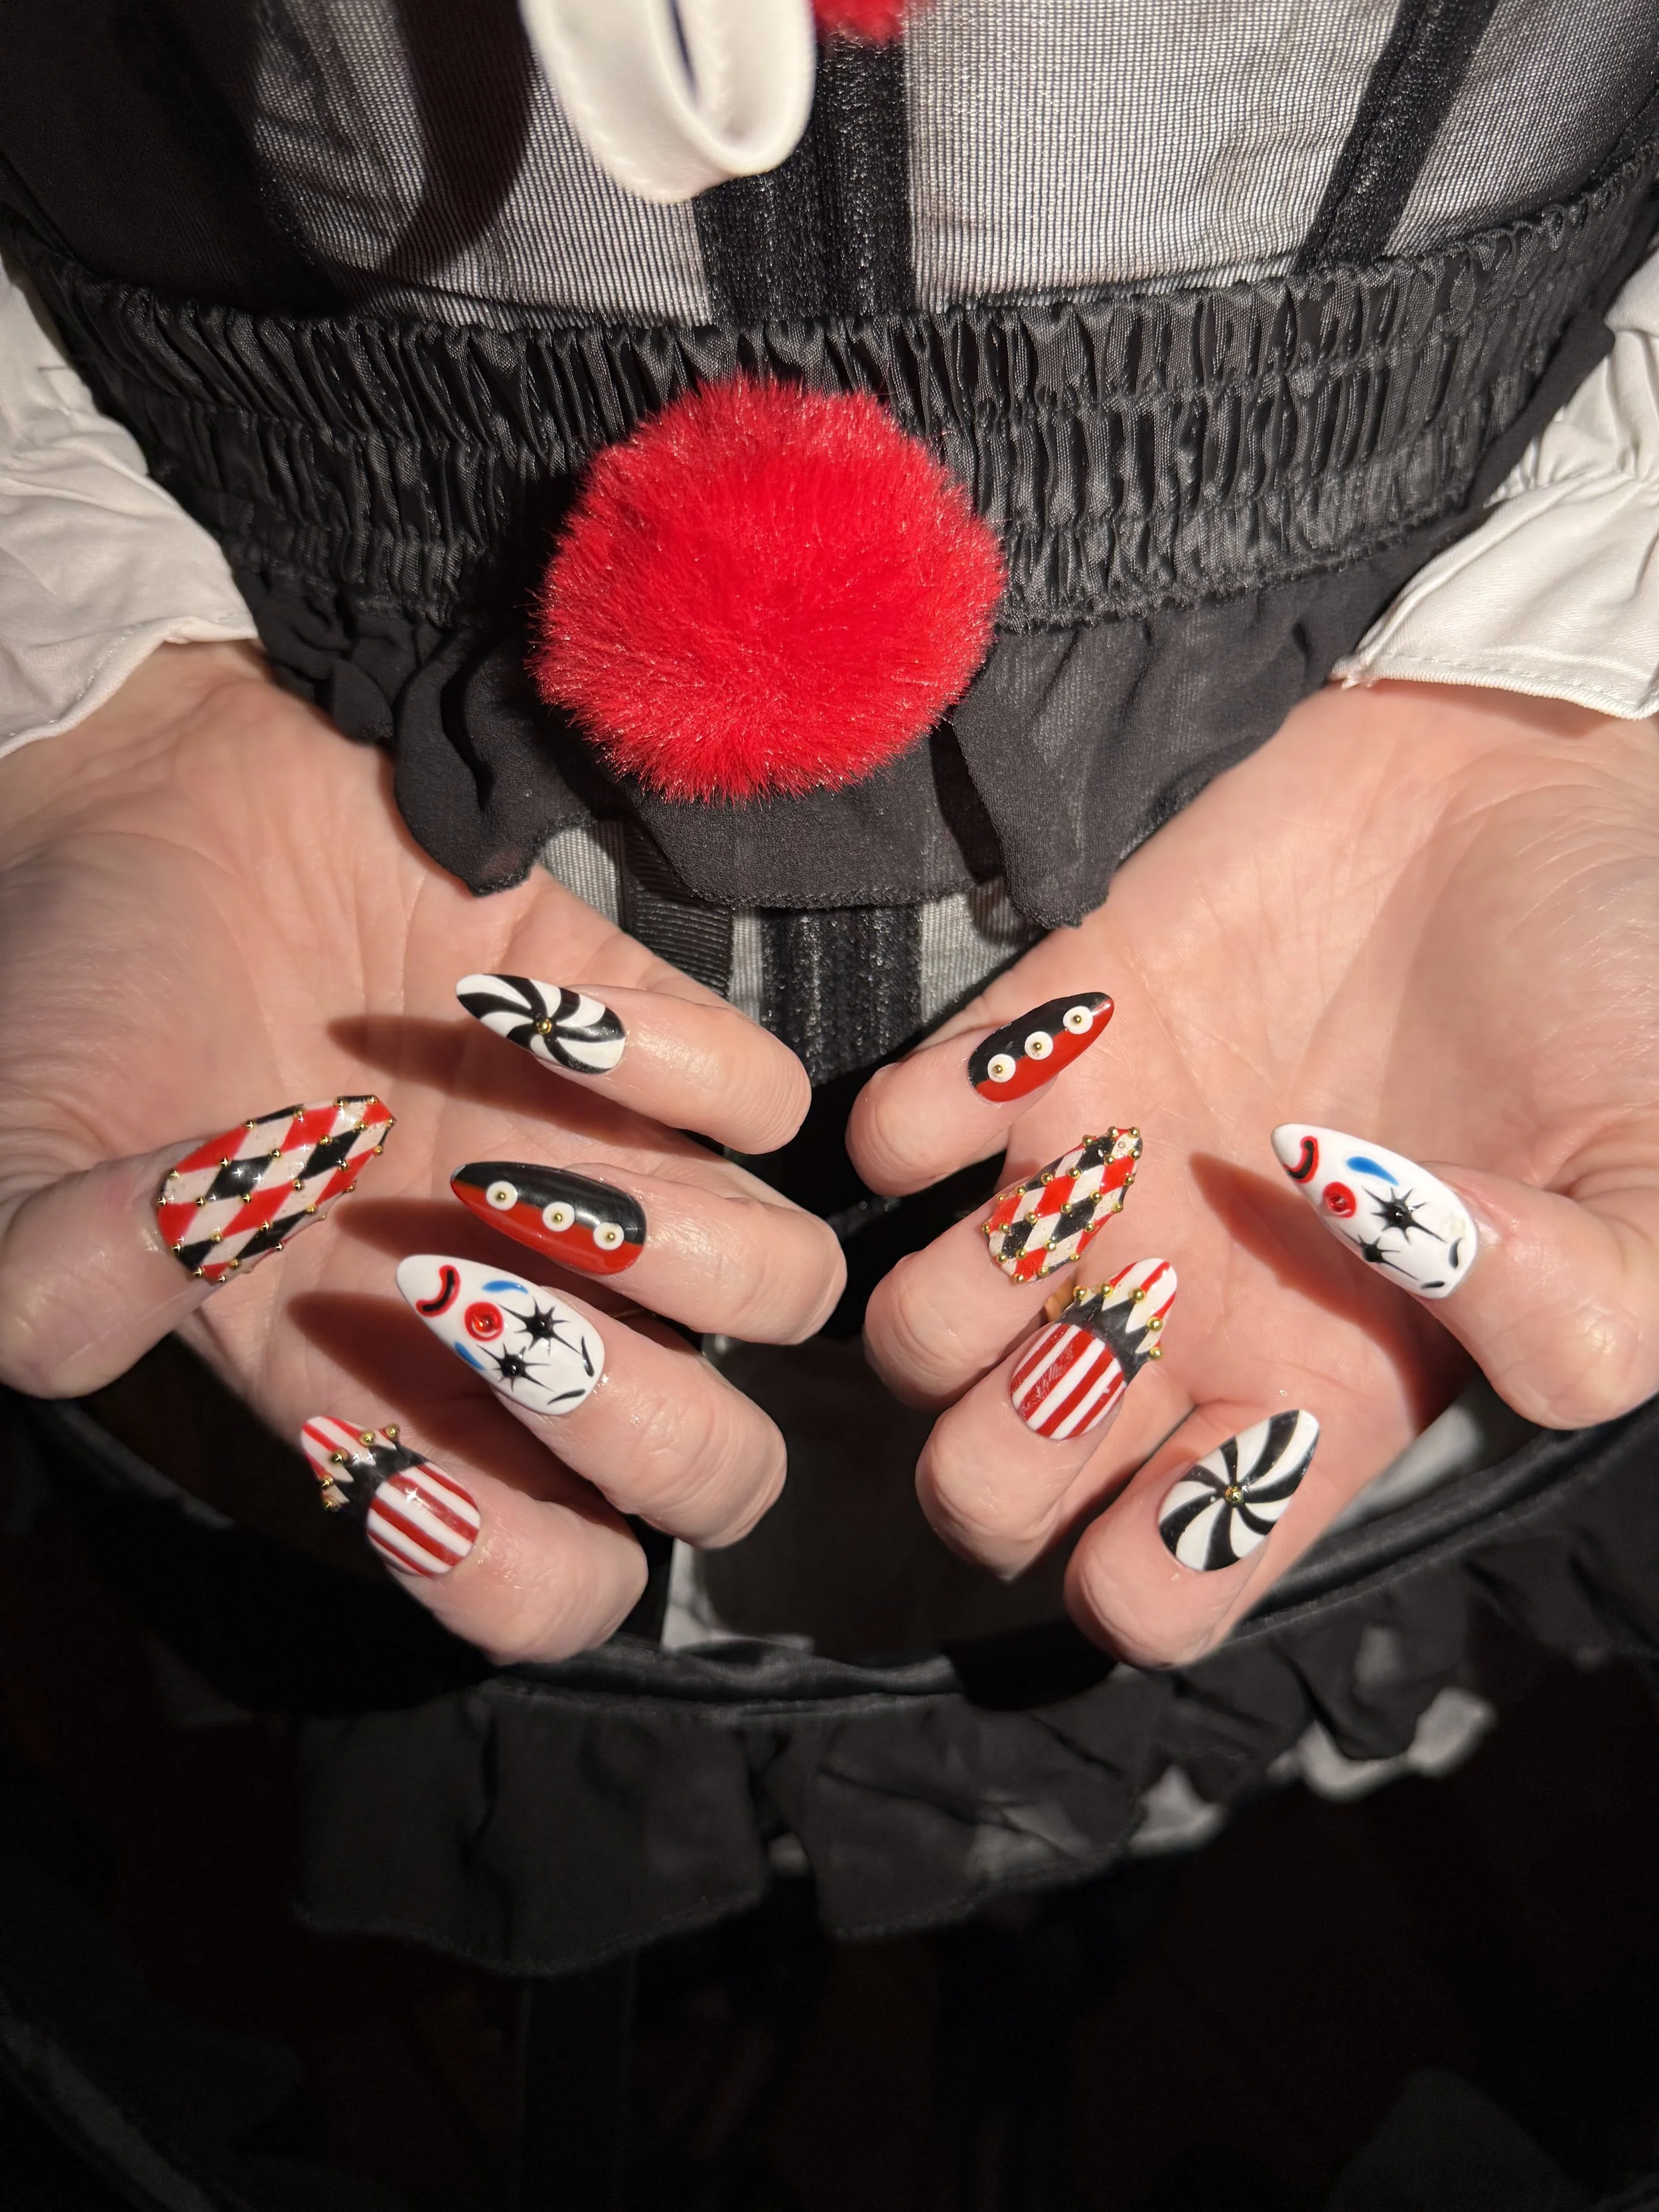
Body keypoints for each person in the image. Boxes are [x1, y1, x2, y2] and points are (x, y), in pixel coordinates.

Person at [1, 0, 1657, 1964]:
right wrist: (83, 702)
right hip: (274, 969)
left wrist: (1569, 705)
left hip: (1366, 1039)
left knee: (1107, 1788)